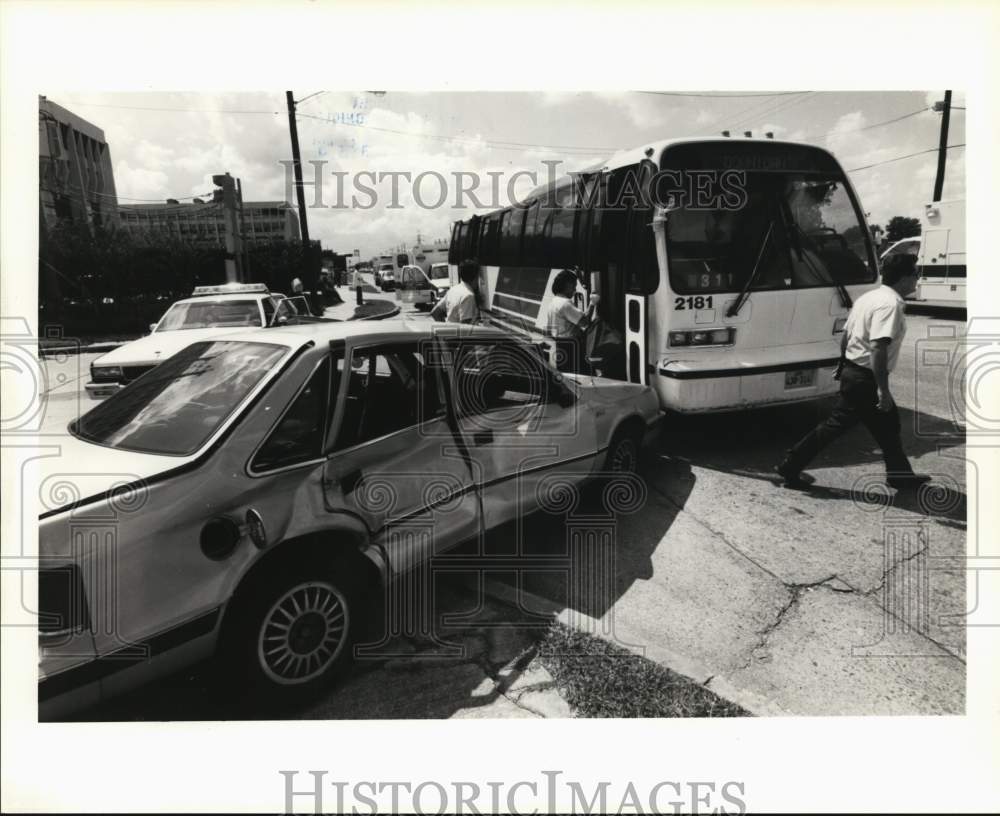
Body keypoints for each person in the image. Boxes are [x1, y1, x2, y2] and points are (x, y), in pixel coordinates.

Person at [776, 253, 930, 491]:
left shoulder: (869, 298)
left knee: (887, 426)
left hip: (854, 371)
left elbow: (847, 334)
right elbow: (878, 346)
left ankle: (900, 475)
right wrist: (882, 389)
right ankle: (791, 464)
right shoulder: (891, 305)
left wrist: (842, 365)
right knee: (837, 425)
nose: (917, 280)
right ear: (905, 277)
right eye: (916, 274)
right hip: (866, 379)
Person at [545, 268, 599, 374]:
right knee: (582, 375)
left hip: (561, 347)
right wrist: (592, 303)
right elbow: (585, 322)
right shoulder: (565, 304)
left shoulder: (553, 302)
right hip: (572, 349)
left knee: (568, 376)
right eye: (573, 286)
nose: (575, 290)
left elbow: (548, 331)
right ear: (566, 285)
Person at [430, 259, 480, 324]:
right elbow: (465, 327)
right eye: (479, 276)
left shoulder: (453, 290)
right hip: (459, 333)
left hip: (451, 332)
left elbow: (435, 312)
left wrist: (445, 328)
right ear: (475, 277)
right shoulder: (468, 296)